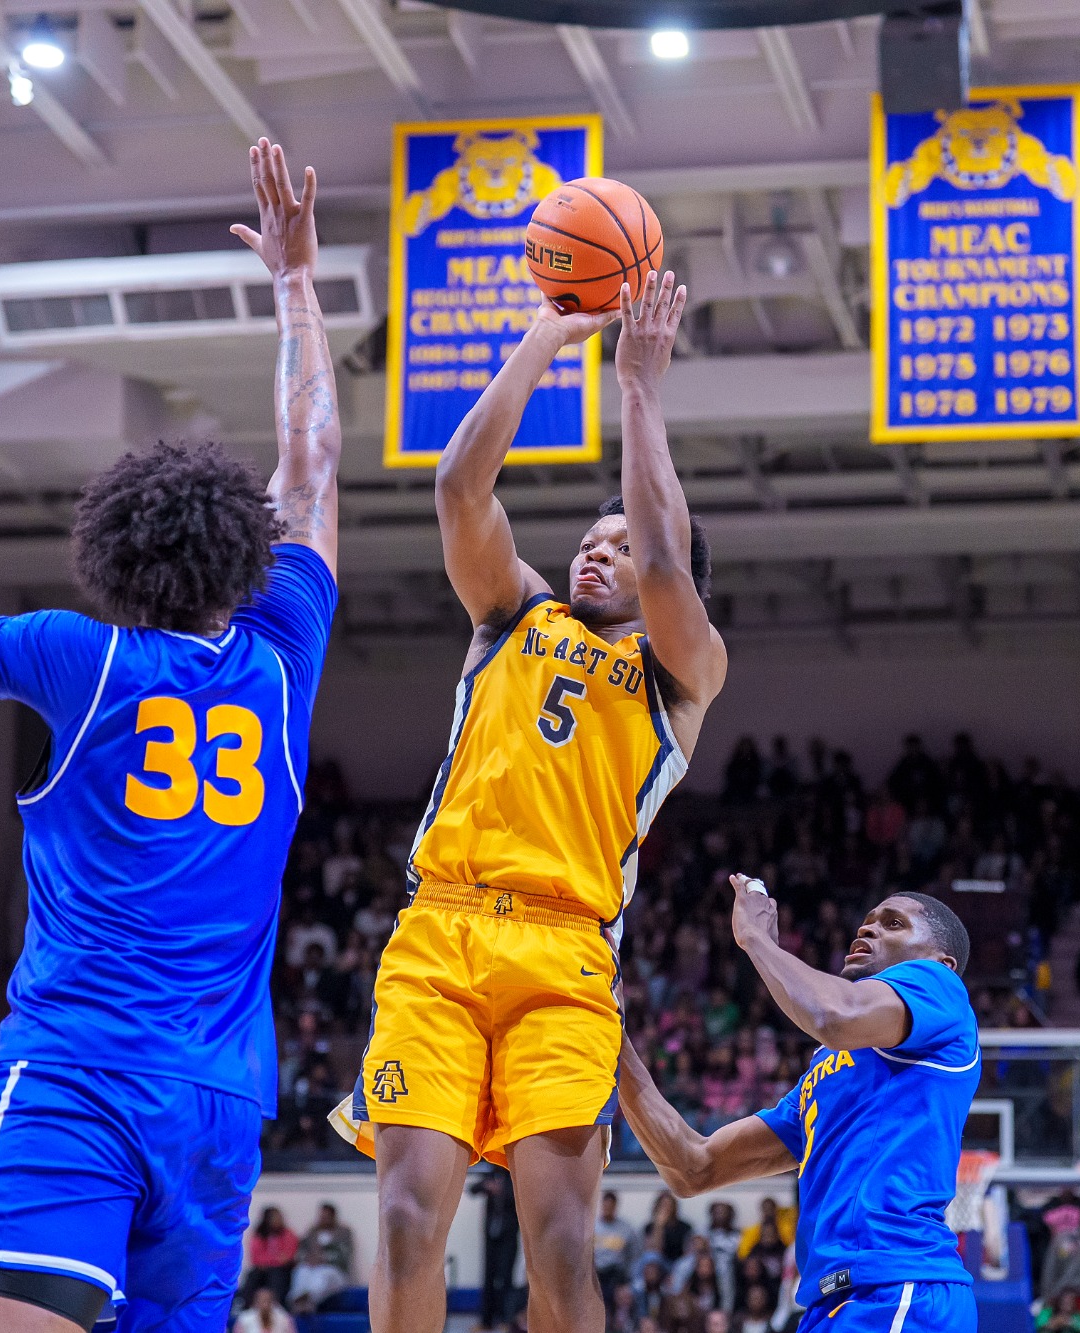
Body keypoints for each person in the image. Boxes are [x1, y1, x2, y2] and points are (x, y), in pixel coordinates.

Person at [0, 138, 341, 1333]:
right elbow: (311, 460)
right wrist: (295, 283)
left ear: (115, 556)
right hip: (216, 1107)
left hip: (77, 1073)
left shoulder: (79, 653)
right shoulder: (281, 661)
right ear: (243, 556)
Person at [336, 270, 725, 1333]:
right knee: (412, 1219)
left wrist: (639, 387)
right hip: (441, 938)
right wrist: (549, 333)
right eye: (586, 539)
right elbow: (460, 486)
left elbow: (658, 550)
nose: (598, 548)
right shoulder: (511, 613)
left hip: (563, 959)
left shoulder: (679, 671)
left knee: (558, 1246)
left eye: (620, 544)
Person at [619, 878, 982, 1333]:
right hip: (831, 1303)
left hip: (898, 1285)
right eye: (867, 921)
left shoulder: (939, 987)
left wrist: (755, 939)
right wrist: (611, 1036)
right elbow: (693, 1166)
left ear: (941, 962)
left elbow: (832, 1014)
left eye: (892, 924)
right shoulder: (829, 1071)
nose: (867, 930)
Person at [472, 1165, 520, 1332]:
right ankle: (486, 1322)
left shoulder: (513, 1178)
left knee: (506, 1279)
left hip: (508, 1238)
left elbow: (518, 1199)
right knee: (488, 1278)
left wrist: (502, 1191)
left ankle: (505, 1320)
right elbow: (473, 1188)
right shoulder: (491, 1175)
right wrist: (487, 1186)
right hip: (491, 1237)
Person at [288, 1204, 355, 1312]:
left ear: (333, 1217)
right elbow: (301, 1251)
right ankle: (298, 1300)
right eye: (321, 1216)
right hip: (313, 1267)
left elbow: (345, 1255)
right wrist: (308, 1259)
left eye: (326, 1217)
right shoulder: (312, 1232)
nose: (323, 1219)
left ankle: (308, 1301)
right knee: (301, 1271)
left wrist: (325, 1259)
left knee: (322, 1275)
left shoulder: (343, 1232)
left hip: (335, 1270)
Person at [594, 1192, 642, 1315]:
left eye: (610, 1206)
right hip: (596, 1273)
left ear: (615, 1207)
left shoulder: (626, 1229)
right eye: (605, 1206)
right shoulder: (592, 1227)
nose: (607, 1210)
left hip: (617, 1275)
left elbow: (634, 1254)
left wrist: (628, 1277)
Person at [246, 1208, 299, 1302]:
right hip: (262, 1269)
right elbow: (256, 1258)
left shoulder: (288, 1234)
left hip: (282, 1270)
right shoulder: (259, 1235)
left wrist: (269, 1261)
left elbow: (286, 1258)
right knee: (252, 1276)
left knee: (276, 1276)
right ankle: (248, 1306)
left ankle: (276, 1305)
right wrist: (274, 1260)